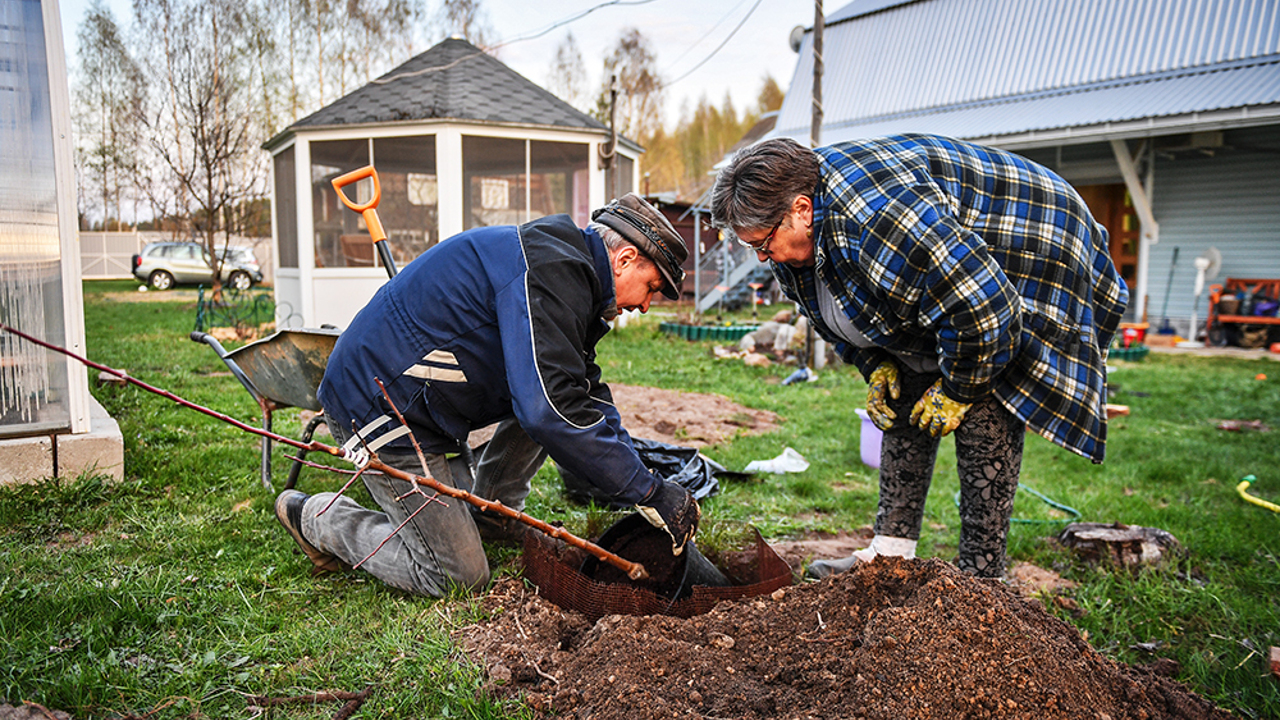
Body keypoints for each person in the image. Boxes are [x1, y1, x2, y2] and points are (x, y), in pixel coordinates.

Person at [710, 134, 1128, 579]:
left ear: (801, 209)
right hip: (958, 269)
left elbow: (986, 308)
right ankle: (890, 556)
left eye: (763, 243)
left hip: (1038, 237)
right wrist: (875, 363)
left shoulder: (879, 221)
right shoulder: (795, 243)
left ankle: (982, 578)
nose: (760, 256)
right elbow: (834, 312)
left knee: (987, 397)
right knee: (903, 388)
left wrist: (958, 388)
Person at [274, 193, 701, 597]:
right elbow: (547, 411)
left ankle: (495, 516)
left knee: (553, 396)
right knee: (457, 576)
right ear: (625, 260)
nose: (646, 305)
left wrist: (650, 485)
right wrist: (645, 491)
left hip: (423, 409)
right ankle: (317, 517)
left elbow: (578, 393)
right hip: (379, 407)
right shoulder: (550, 273)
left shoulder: (566, 277)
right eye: (651, 287)